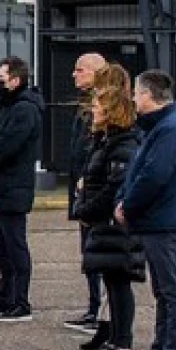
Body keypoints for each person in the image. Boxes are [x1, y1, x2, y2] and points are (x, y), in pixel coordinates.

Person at [116, 69, 176, 350]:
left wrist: (129, 203)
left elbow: (154, 174)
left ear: (149, 95)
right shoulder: (162, 126)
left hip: (164, 219)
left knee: (171, 287)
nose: (134, 98)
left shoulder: (171, 128)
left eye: (137, 93)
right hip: (157, 218)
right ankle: (161, 349)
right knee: (162, 289)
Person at [76, 66, 144, 350]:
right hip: (105, 224)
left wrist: (88, 210)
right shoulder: (107, 142)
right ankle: (113, 337)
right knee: (112, 281)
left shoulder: (123, 144)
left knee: (119, 283)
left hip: (115, 225)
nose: (93, 111)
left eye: (98, 107)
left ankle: (122, 342)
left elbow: (113, 185)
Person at [0, 57, 44, 323]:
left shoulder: (25, 109)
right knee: (2, 246)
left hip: (14, 185)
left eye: (2, 78)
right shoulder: (9, 108)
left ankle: (20, 301)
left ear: (16, 80)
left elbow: (8, 145)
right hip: (2, 185)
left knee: (15, 245)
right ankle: (5, 297)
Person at [65, 53, 110, 332]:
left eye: (79, 70)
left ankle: (101, 312)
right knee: (88, 251)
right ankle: (93, 306)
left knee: (100, 251)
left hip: (94, 190)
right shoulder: (85, 105)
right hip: (83, 188)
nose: (74, 74)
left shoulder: (106, 105)